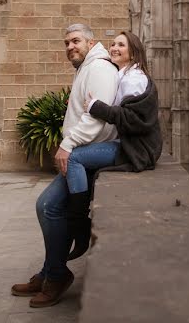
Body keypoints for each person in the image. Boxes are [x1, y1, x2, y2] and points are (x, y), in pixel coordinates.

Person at [10, 23, 117, 308]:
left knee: (49, 206)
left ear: (91, 42)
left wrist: (68, 145)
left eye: (76, 41)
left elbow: (97, 118)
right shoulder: (86, 68)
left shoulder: (100, 69)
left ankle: (56, 275)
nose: (70, 47)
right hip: (81, 153)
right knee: (48, 207)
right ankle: (51, 271)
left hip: (86, 154)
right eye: (67, 43)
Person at [63, 30, 162, 259]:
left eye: (121, 45)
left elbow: (134, 120)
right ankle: (79, 224)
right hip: (128, 145)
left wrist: (96, 106)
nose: (114, 48)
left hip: (137, 150)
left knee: (74, 157)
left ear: (133, 53)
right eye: (113, 44)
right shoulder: (121, 75)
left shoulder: (135, 78)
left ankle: (80, 225)